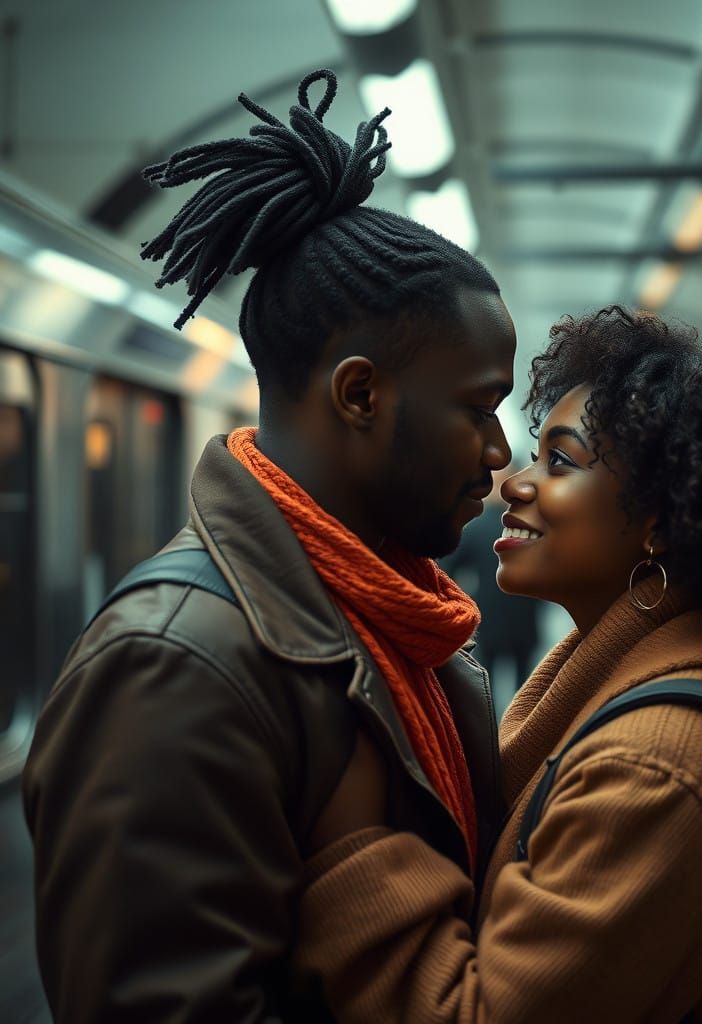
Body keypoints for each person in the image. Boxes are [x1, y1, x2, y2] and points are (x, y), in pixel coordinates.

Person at [21, 69, 516, 1022]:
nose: (499, 455)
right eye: (478, 411)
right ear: (360, 395)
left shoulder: (386, 619)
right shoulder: (172, 668)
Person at [294, 306, 702, 1022]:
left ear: (660, 520)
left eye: (559, 461)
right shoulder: (651, 685)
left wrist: (352, 836)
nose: (515, 484)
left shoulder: (660, 769)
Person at [441, 462, 540, 707]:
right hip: (510, 617)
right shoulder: (527, 524)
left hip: (506, 618)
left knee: (498, 684)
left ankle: (502, 735)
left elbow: (448, 568)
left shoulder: (479, 527)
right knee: (515, 684)